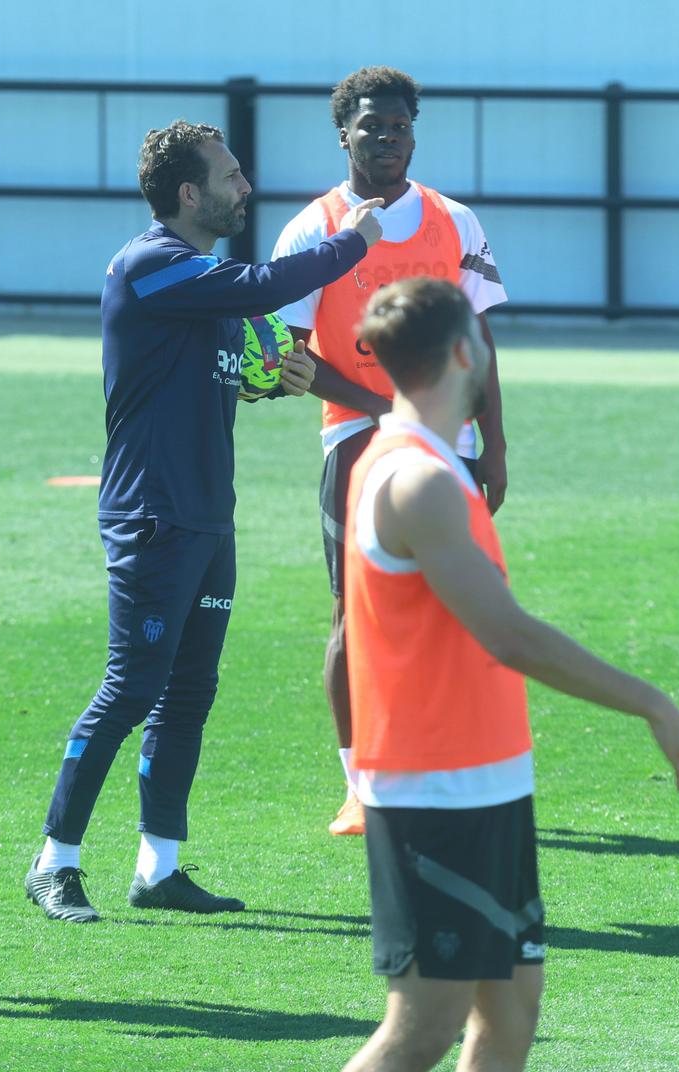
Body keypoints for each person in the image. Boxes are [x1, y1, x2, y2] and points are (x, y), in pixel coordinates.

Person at [259, 277, 679, 1072]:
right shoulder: (415, 478)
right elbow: (503, 633)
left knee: (506, 1016)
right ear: (465, 353)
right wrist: (650, 701)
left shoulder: (428, 464)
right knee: (419, 1026)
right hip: (425, 794)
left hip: (486, 784)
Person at [23, 120, 383, 923]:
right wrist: (350, 241)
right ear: (189, 193)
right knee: (130, 689)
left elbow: (232, 355)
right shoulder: (150, 264)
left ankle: (159, 868)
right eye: (230, 176)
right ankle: (55, 860)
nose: (244, 188)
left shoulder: (204, 287)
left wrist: (270, 379)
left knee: (188, 694)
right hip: (151, 515)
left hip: (207, 519)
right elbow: (263, 289)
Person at [269, 65, 509, 838]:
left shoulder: (454, 221)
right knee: (353, 613)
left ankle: (445, 764)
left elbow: (481, 340)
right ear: (344, 133)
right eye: (372, 126)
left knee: (458, 611)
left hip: (452, 447)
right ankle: (359, 784)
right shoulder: (315, 229)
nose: (388, 139)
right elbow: (286, 354)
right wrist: (386, 407)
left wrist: (495, 442)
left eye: (400, 126)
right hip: (356, 442)